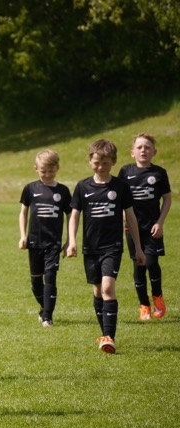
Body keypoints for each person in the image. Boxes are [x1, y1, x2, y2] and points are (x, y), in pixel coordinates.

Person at [66, 139, 145, 354]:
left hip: (113, 246)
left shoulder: (120, 187)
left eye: (106, 163)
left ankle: (109, 337)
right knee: (97, 290)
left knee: (108, 287)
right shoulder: (83, 186)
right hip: (91, 248)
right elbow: (74, 215)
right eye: (97, 162)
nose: (101, 167)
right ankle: (105, 335)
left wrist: (138, 248)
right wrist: (72, 241)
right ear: (90, 161)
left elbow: (131, 217)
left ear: (114, 162)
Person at [117, 133, 172, 320]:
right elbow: (119, 197)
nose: (143, 150)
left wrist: (160, 222)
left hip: (152, 227)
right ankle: (144, 305)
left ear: (154, 152)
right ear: (132, 152)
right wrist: (122, 213)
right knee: (139, 265)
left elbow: (167, 199)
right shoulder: (125, 171)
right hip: (132, 228)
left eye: (147, 147)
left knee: (152, 263)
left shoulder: (159, 173)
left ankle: (157, 296)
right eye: (139, 147)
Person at [18, 149, 72, 327]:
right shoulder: (30, 189)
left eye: (51, 171)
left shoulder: (63, 191)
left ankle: (47, 316)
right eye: (43, 171)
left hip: (53, 243)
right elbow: (23, 213)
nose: (47, 174)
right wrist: (23, 236)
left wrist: (70, 240)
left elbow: (70, 215)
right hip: (34, 243)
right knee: (35, 282)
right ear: (36, 168)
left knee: (50, 276)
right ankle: (44, 307)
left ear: (57, 168)